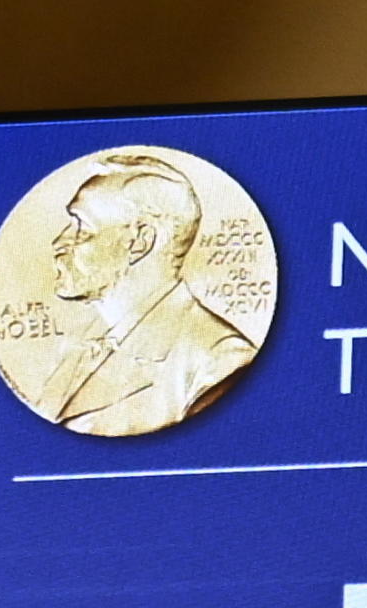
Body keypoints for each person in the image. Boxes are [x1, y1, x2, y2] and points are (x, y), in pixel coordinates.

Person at [32, 151, 263, 438]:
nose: (60, 243)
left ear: (141, 242)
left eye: (82, 227)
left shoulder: (218, 362)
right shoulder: (81, 349)